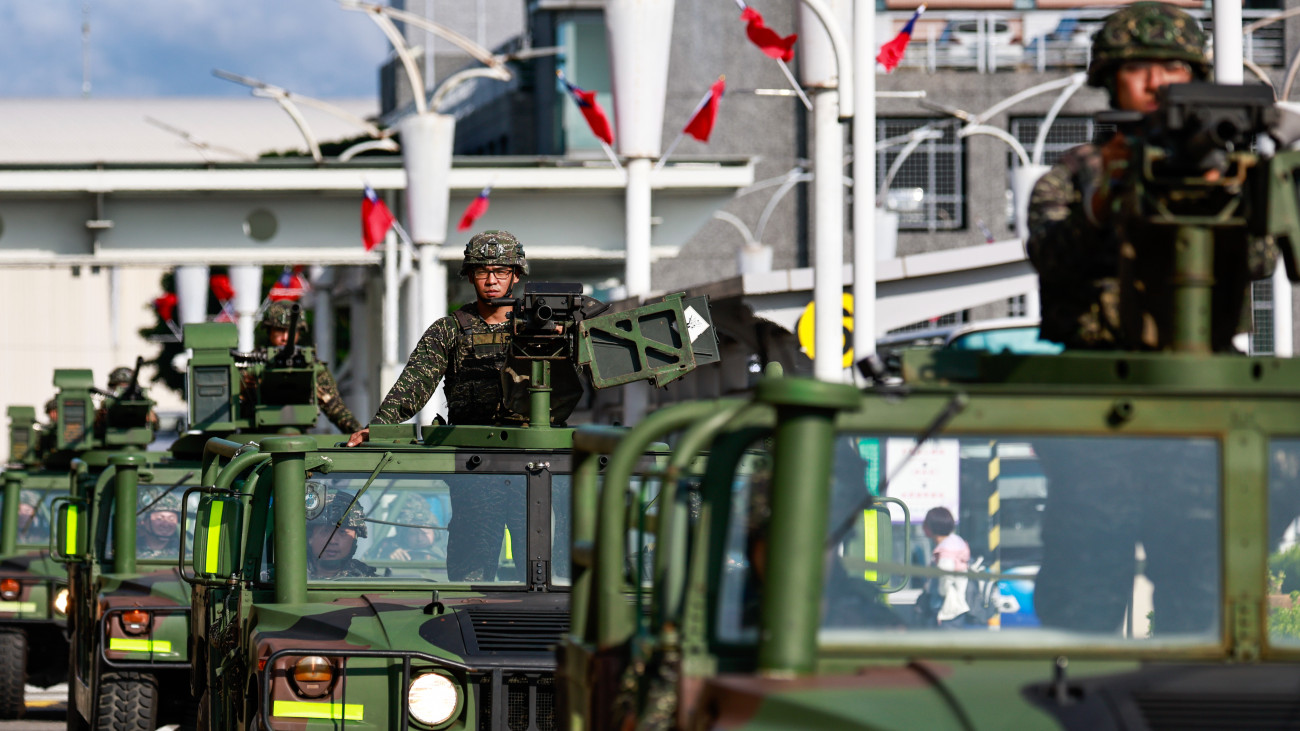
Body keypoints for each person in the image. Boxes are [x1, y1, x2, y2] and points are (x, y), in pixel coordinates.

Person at [1026, 1, 1275, 352]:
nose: (1155, 83)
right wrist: (1098, 204)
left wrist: (1220, 195)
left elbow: (1261, 261)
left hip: (1206, 361)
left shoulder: (1227, 170)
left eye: (1172, 68)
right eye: (1136, 68)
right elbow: (1049, 259)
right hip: (1098, 365)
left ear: (1193, 77)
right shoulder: (1073, 175)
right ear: (1112, 80)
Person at [248, 300, 362, 434]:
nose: (285, 338)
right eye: (280, 330)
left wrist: (360, 434)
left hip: (298, 437)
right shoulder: (250, 363)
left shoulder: (311, 367)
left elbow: (336, 408)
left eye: (291, 331)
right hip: (254, 438)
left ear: (299, 333)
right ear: (269, 331)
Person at [917, 507, 971, 627]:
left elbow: (945, 583)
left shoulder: (946, 551)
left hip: (947, 612)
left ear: (931, 527)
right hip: (956, 611)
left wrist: (941, 612)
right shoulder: (955, 542)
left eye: (925, 523)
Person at [306, 491, 376, 579]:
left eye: (342, 532)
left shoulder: (370, 582)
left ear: (354, 538)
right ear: (310, 537)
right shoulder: (289, 577)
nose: (332, 541)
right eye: (325, 531)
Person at [372, 496, 445, 562]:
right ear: (405, 536)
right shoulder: (387, 546)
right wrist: (388, 557)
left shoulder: (445, 550)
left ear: (435, 533)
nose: (419, 539)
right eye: (413, 533)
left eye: (425, 533)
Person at [135, 489, 182, 560]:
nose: (166, 524)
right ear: (144, 521)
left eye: (171, 519)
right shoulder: (130, 550)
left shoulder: (184, 551)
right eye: (159, 519)